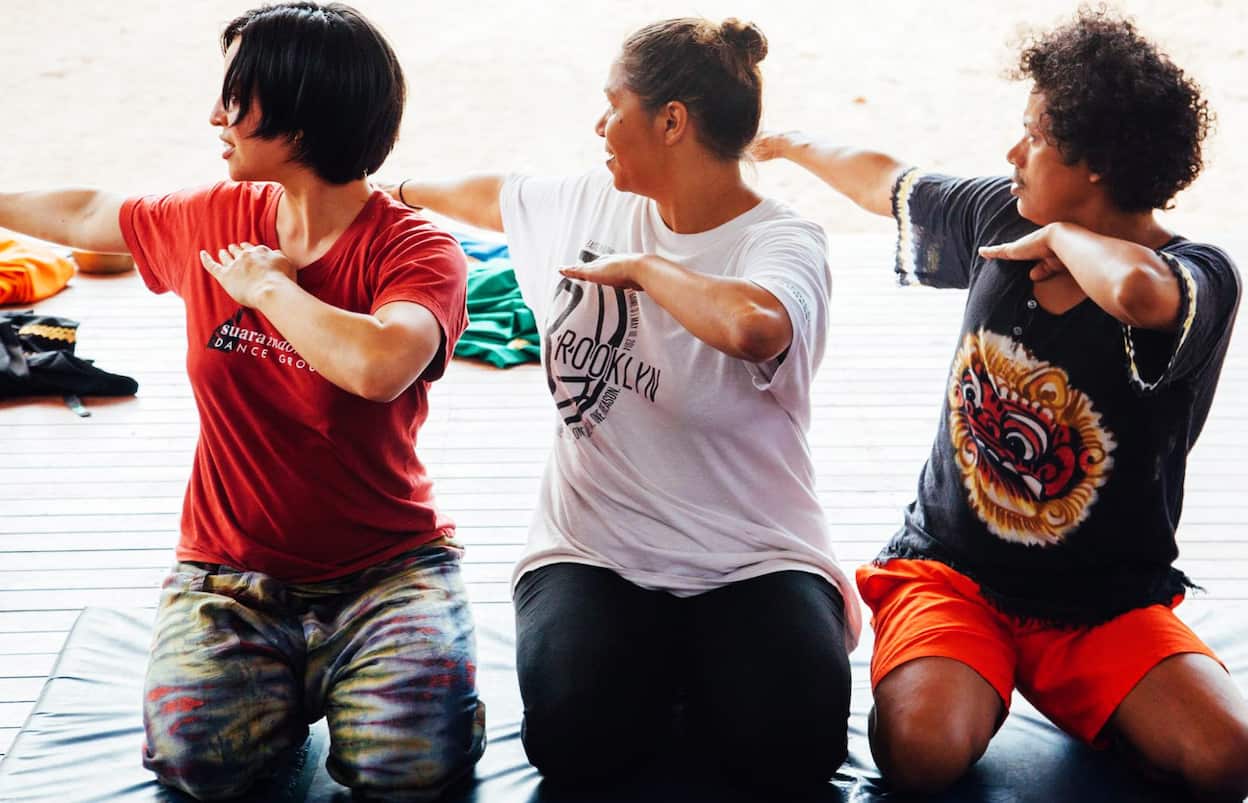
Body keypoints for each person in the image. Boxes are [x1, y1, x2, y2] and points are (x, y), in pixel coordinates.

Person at [752, 8, 1248, 801]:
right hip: (954, 575)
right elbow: (888, 179)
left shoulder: (1201, 275)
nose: (1012, 153)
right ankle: (970, 670)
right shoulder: (1002, 215)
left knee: (1229, 759)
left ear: (1095, 163)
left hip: (1105, 604)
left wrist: (1059, 242)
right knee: (921, 754)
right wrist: (788, 145)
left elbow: (1134, 291)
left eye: (1035, 135)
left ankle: (1076, 693)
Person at [0, 3, 484, 799]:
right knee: (198, 761)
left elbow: (378, 365)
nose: (216, 115)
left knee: (412, 770)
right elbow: (90, 213)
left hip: (388, 571)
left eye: (238, 97)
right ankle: (290, 693)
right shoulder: (215, 217)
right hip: (230, 572)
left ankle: (361, 685)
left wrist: (266, 289)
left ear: (303, 115)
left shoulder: (414, 248)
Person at [393, 16, 857, 793]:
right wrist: (388, 189)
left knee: (795, 748)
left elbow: (752, 325)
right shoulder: (585, 203)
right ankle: (673, 671)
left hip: (751, 554)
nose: (600, 125)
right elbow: (490, 196)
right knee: (575, 737)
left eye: (615, 106)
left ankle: (697, 669)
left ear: (672, 120)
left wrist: (645, 268)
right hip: (595, 548)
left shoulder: (783, 242)